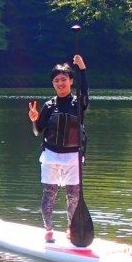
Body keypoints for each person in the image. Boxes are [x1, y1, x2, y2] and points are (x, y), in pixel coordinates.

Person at [28, 55, 88, 243]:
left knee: (74, 197)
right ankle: (48, 229)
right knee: (49, 194)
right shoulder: (48, 106)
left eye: (64, 79)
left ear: (71, 81)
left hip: (73, 157)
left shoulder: (78, 104)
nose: (60, 83)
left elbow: (85, 93)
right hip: (51, 155)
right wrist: (34, 119)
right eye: (56, 80)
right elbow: (38, 131)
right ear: (53, 84)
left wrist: (83, 70)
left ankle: (71, 228)